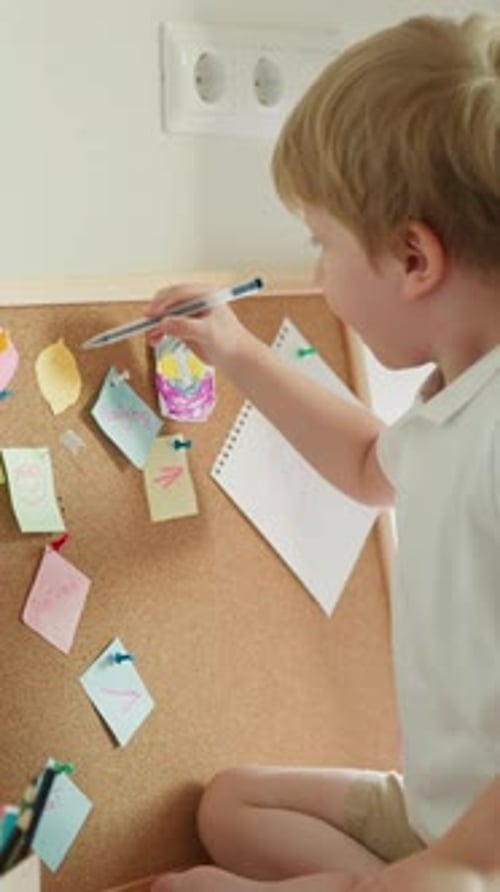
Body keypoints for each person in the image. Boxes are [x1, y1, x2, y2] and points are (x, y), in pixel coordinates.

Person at [145, 12, 500, 892]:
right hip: (440, 814)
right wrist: (236, 350)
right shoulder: (456, 395)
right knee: (230, 807)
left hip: (479, 853)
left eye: (322, 244)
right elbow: (367, 467)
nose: (315, 276)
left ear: (414, 258)